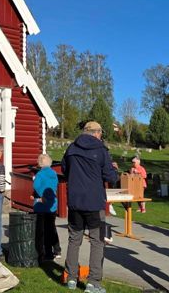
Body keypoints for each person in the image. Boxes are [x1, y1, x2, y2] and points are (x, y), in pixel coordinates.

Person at [61, 121, 119, 293]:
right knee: (98, 241)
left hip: (75, 201)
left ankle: (71, 278)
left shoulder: (71, 148)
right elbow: (110, 177)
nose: (101, 136)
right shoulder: (101, 151)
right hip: (94, 202)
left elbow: (65, 169)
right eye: (101, 133)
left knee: (74, 240)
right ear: (96, 133)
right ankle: (93, 282)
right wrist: (114, 169)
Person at [33, 153, 61, 261]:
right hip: (52, 205)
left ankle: (43, 253)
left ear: (40, 163)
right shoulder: (54, 173)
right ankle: (56, 250)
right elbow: (55, 185)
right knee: (51, 228)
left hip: (41, 205)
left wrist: (42, 196)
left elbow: (35, 186)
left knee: (41, 231)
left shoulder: (39, 174)